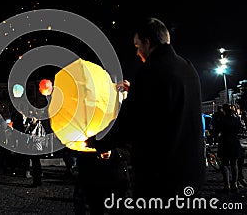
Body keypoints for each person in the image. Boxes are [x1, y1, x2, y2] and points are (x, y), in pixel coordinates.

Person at [86, 17, 206, 205]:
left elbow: (129, 122)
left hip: (161, 176)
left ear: (148, 43)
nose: (137, 53)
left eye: (137, 46)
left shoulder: (149, 72)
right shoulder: (188, 68)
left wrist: (98, 142)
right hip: (192, 172)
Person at [213, 104, 244, 193]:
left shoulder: (222, 120)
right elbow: (239, 130)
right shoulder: (236, 119)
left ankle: (227, 185)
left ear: (224, 110)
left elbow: (216, 130)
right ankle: (235, 184)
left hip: (224, 144)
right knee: (234, 164)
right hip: (234, 143)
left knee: (225, 165)